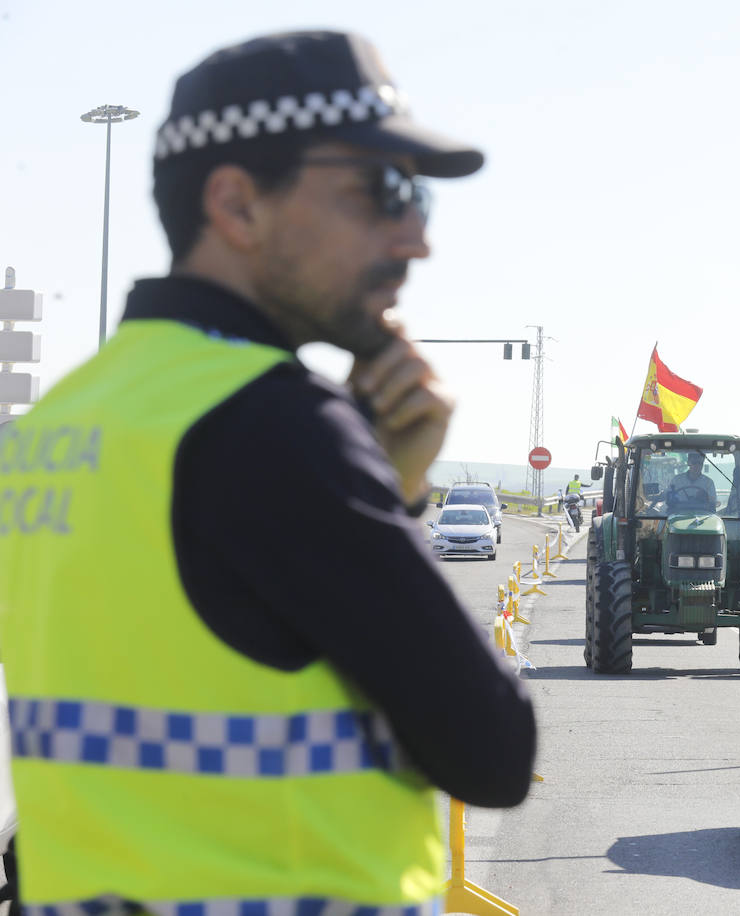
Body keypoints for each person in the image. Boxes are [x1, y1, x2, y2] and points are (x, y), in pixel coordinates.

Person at [0, 31, 535, 909]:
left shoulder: (55, 427)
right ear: (238, 205)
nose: (413, 238)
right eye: (382, 190)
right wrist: (395, 501)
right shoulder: (278, 429)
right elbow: (490, 750)